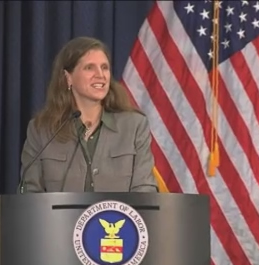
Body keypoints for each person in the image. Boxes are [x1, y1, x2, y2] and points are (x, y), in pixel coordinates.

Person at [19, 36, 159, 193]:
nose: (100, 75)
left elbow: (145, 191)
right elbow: (29, 194)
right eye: (89, 68)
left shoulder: (134, 126)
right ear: (68, 77)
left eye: (104, 67)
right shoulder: (41, 130)